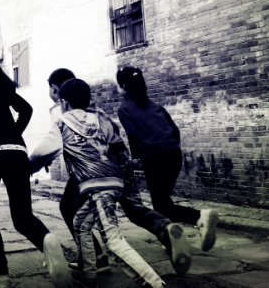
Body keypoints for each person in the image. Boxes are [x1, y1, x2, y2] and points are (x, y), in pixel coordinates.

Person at [33, 69, 192, 277]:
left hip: (93, 169)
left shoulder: (62, 111)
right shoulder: (97, 111)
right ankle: (164, 227)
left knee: (69, 207)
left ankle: (97, 258)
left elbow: (55, 143)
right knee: (133, 207)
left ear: (57, 91)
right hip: (119, 161)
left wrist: (36, 164)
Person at [0, 44, 72, 288]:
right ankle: (47, 239)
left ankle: (2, 275)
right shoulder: (1, 86)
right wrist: (12, 136)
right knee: (23, 217)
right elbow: (26, 110)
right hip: (17, 154)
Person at [117, 66, 219, 252]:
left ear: (123, 85)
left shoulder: (124, 108)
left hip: (154, 158)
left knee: (161, 205)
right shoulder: (156, 106)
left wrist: (136, 156)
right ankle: (173, 240)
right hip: (174, 154)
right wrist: (169, 147)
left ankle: (198, 218)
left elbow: (132, 135)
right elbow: (175, 131)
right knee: (163, 202)